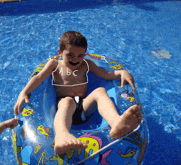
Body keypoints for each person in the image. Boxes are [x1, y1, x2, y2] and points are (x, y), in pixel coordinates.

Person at [14, 31, 142, 155]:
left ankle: (116, 123)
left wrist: (121, 72)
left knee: (100, 91)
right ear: (60, 53)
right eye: (70, 55)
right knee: (67, 101)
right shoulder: (54, 64)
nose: (76, 59)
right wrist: (24, 92)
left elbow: (106, 74)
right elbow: (38, 78)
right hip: (64, 107)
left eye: (80, 56)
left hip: (83, 106)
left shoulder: (87, 65)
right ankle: (62, 136)